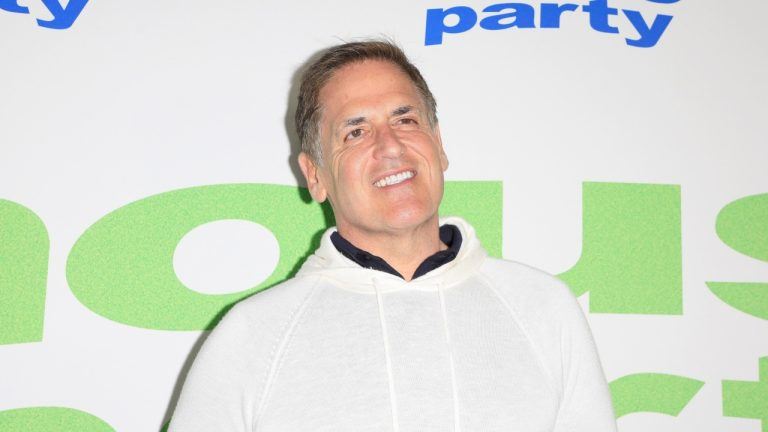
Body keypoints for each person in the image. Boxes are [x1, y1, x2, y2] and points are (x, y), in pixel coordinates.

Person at [169, 40, 617, 432]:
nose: (390, 147)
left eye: (405, 120)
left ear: (439, 144)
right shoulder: (253, 335)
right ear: (315, 175)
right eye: (356, 132)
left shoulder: (544, 309)